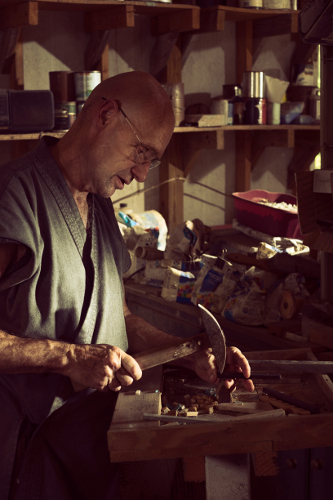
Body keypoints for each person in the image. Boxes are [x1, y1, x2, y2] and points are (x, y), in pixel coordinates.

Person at [0, 70, 254, 500]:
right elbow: (81, 353)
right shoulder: (15, 196)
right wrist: (68, 358)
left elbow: (119, 318)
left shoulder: (99, 207)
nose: (140, 174)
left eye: (151, 161)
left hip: (94, 449)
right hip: (29, 454)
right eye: (141, 152)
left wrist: (190, 353)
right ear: (105, 115)